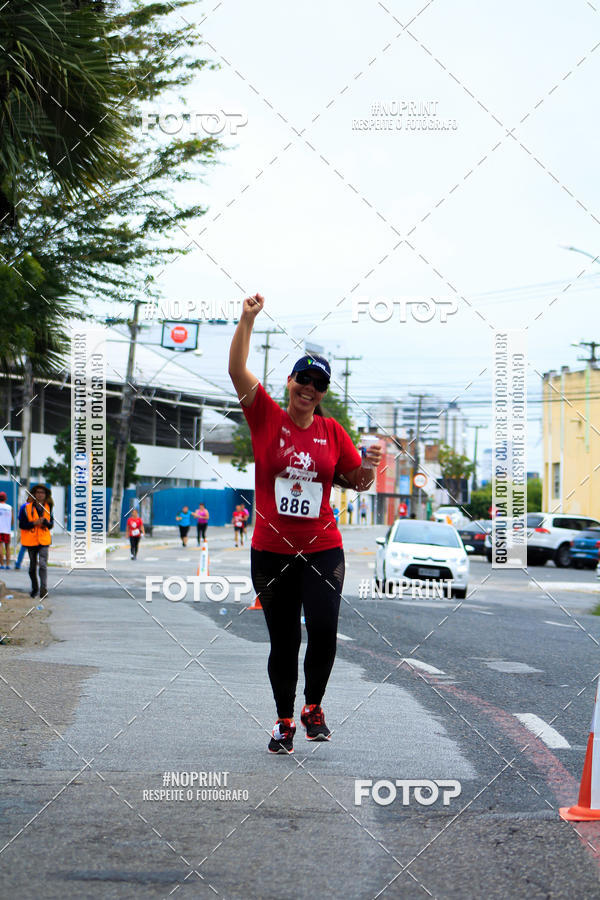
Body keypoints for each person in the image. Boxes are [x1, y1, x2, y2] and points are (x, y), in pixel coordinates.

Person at [229, 294, 382, 754]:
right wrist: (247, 320)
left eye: (319, 384)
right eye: (303, 379)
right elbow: (237, 370)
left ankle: (313, 708)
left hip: (322, 547)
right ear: (290, 381)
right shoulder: (264, 417)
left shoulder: (333, 432)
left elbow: (357, 483)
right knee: (284, 641)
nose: (309, 388)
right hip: (271, 552)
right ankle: (283, 721)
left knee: (323, 627)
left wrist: (372, 466)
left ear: (323, 392)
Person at [19, 484, 53, 599]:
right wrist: (34, 523)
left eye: (42, 493)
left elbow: (51, 524)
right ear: (34, 494)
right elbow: (22, 525)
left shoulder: (48, 507)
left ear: (45, 495)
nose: (40, 494)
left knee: (43, 565)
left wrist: (45, 523)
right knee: (32, 567)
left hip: (44, 540)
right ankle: (35, 589)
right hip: (31, 541)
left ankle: (44, 589)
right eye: (38, 492)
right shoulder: (26, 508)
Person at [0, 491, 13, 569]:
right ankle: (8, 564)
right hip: (7, 530)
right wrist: (8, 526)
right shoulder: (9, 507)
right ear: (6, 498)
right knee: (7, 547)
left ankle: (1, 564)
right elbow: (12, 520)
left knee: (0, 546)